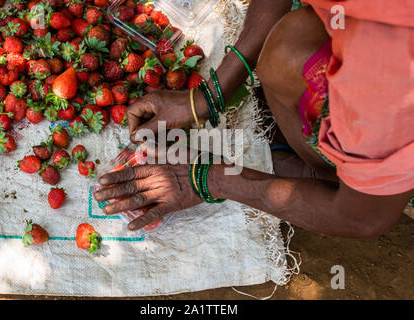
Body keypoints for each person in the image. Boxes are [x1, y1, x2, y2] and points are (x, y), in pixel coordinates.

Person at [94, 0, 414, 238]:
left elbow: (363, 219)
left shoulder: (388, 67)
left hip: (390, 89)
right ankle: (319, 166)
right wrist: (206, 98)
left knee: (289, 50)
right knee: (291, 41)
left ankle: (342, 178)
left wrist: (204, 178)